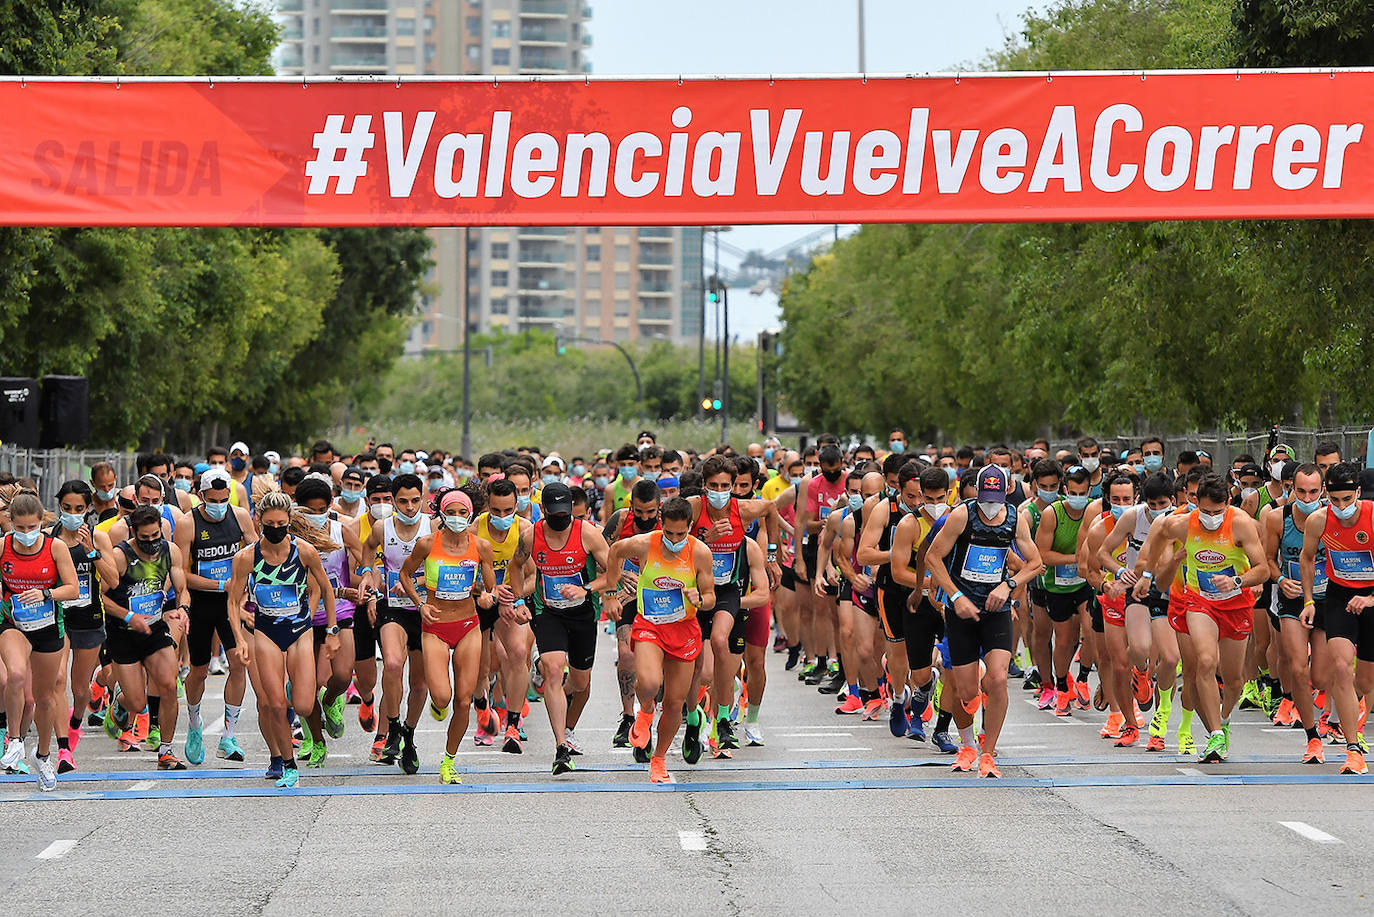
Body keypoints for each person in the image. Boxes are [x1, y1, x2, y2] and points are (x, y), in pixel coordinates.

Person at [924, 466, 1044, 778]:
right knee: (965, 692)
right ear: (976, 492)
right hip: (962, 608)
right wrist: (955, 597)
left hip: (997, 609)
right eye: (984, 498)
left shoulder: (1016, 519)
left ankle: (988, 752)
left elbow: (1035, 563)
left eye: (996, 498)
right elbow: (932, 559)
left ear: (1006, 492)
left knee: (999, 678)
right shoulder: (962, 516)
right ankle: (967, 746)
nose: (990, 506)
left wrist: (1009, 586)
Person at [226, 492, 340, 788]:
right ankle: (287, 764)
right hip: (265, 631)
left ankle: (295, 684)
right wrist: (239, 638)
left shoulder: (304, 551)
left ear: (290, 522)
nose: (276, 529)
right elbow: (233, 599)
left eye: (281, 524)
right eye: (269, 524)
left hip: (300, 629)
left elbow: (326, 590)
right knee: (274, 704)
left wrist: (331, 631)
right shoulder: (246, 557)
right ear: (259, 522)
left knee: (302, 706)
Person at [1153, 473, 1268, 763]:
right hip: (1199, 602)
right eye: (1205, 512)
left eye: (1217, 512)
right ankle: (1215, 733)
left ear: (1228, 504)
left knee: (1233, 679)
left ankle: (1225, 719)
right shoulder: (1181, 525)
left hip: (1236, 605)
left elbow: (1263, 570)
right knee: (1205, 661)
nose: (1211, 518)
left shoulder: (1240, 523)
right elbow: (1154, 543)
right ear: (1195, 503)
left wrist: (1237, 582)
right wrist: (1148, 572)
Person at [504, 483, 613, 775]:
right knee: (554, 668)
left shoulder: (588, 534)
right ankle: (561, 747)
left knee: (579, 682)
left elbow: (612, 572)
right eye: (556, 516)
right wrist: (517, 601)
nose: (561, 521)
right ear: (544, 512)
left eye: (566, 516)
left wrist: (585, 588)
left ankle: (563, 713)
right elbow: (515, 566)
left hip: (583, 614)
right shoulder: (531, 535)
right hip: (547, 612)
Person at [608, 497, 716, 783]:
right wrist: (610, 590)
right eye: (669, 533)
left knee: (674, 702)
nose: (674, 539)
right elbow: (615, 550)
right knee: (650, 682)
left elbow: (711, 598)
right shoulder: (645, 543)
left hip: (684, 630)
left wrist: (700, 599)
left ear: (690, 527)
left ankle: (658, 758)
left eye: (681, 534)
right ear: (662, 526)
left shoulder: (700, 553)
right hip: (650, 626)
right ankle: (644, 710)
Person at [398, 489, 497, 784]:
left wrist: (487, 595)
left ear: (470, 515)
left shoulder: (480, 546)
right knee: (442, 696)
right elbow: (404, 575)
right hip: (435, 627)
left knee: (463, 701)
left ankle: (448, 761)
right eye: (450, 513)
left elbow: (489, 585)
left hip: (468, 625)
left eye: (461, 513)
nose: (456, 519)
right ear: (441, 514)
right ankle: (435, 705)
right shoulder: (427, 544)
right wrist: (420, 604)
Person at [174, 467, 257, 766]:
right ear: (201, 497)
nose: (219, 505)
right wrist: (222, 583)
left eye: (223, 499)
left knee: (238, 662)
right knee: (198, 671)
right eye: (213, 500)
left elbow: (257, 554)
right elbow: (181, 574)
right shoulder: (187, 524)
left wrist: (244, 588)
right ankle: (194, 725)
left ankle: (228, 735)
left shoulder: (240, 516)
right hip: (201, 602)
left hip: (232, 603)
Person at [99, 505, 191, 771]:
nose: (151, 543)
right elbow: (102, 596)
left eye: (155, 536)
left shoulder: (169, 551)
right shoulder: (120, 556)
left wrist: (183, 610)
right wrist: (128, 616)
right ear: (134, 533)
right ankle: (119, 702)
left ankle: (166, 751)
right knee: (138, 704)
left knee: (169, 686)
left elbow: (181, 588)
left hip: (153, 629)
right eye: (145, 538)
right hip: (123, 633)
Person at [0, 494, 82, 790]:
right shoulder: (3, 547)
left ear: (41, 523)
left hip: (47, 625)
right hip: (13, 624)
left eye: (31, 527)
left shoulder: (55, 547)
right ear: (10, 523)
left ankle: (43, 756)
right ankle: (15, 740)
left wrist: (46, 593)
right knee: (16, 675)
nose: (25, 534)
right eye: (19, 528)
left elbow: (72, 589)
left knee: (45, 698)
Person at [1300, 462, 1374, 775]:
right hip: (1339, 597)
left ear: (1358, 492)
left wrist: (1371, 598)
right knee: (1341, 667)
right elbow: (1306, 557)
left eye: (1347, 499)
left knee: (1365, 682)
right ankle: (1353, 749)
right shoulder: (1319, 520)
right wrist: (1307, 600)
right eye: (1335, 500)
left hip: (1372, 596)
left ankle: (1353, 704)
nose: (1341, 507)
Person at [361, 472, 432, 774]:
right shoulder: (382, 526)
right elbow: (368, 550)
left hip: (426, 609)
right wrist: (368, 573)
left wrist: (418, 581)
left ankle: (409, 735)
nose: (409, 507)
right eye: (402, 501)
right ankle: (392, 726)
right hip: (393, 607)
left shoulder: (434, 526)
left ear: (423, 499)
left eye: (415, 500)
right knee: (391, 664)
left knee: (419, 683)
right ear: (392, 501)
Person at [49, 481, 116, 774]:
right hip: (58, 620)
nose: (73, 514)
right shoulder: (48, 538)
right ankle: (63, 749)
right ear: (59, 507)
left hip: (89, 620)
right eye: (67, 508)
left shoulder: (99, 538)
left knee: (80, 690)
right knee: (57, 679)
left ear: (88, 508)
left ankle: (75, 722)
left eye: (78, 509)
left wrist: (92, 552)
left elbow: (113, 580)